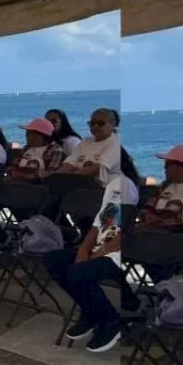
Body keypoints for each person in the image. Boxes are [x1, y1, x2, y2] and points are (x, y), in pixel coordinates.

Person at [45, 147, 141, 354]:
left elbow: (125, 230)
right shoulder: (113, 185)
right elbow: (101, 223)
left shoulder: (125, 185)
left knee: (78, 273)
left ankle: (110, 319)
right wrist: (84, 248)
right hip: (101, 246)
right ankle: (91, 310)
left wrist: (99, 253)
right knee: (54, 261)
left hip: (116, 253)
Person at [57, 108, 121, 185]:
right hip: (82, 186)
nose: (95, 126)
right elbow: (69, 164)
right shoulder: (86, 142)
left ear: (112, 124)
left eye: (100, 123)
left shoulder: (115, 143)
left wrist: (71, 178)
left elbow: (98, 168)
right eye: (92, 123)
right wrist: (56, 177)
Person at [10, 118, 66, 182]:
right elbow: (16, 162)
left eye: (29, 133)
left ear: (42, 136)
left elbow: (53, 172)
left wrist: (33, 177)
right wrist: (13, 171)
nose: (26, 136)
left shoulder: (56, 150)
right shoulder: (27, 148)